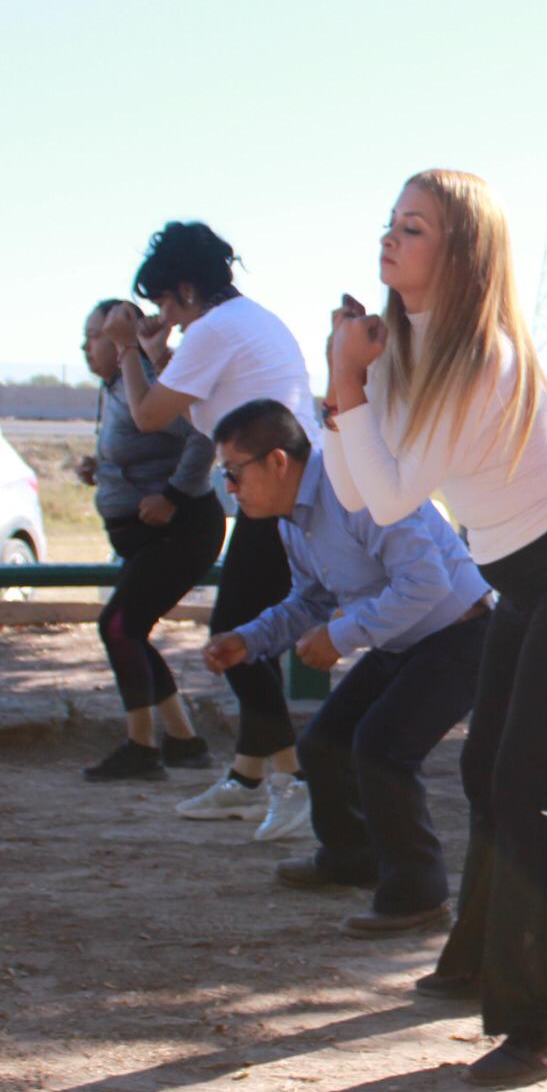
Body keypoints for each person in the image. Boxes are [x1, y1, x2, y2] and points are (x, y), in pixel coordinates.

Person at [321, 169, 547, 1087]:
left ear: (461, 252)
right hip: (525, 581)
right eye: (390, 223)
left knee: (528, 787)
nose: (390, 239)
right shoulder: (406, 350)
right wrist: (346, 381)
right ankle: (478, 962)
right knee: (487, 774)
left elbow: (394, 499)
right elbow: (354, 489)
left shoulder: (479, 356)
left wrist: (347, 379)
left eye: (413, 227)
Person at [203, 398, 494, 934]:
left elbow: (427, 584)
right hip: (403, 639)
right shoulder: (294, 521)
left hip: (460, 634)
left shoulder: (353, 489)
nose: (230, 489)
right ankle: (352, 858)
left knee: (382, 751)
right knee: (324, 743)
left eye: (233, 473)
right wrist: (249, 639)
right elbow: (311, 600)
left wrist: (340, 636)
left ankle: (419, 895)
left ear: (277, 462)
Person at [102, 221, 318, 844]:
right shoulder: (245, 321)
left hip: (280, 497)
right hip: (287, 490)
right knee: (243, 634)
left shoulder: (214, 329)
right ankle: (248, 782)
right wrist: (154, 354)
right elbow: (200, 406)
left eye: (166, 302)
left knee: (234, 639)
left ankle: (295, 781)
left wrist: (126, 350)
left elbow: (149, 415)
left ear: (187, 290)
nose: (165, 316)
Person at [77, 297, 223, 781]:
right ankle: (184, 740)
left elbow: (203, 435)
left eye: (94, 336)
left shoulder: (150, 379)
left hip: (182, 530)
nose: (85, 347)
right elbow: (139, 447)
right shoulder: (115, 387)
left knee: (117, 626)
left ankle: (141, 747)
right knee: (131, 630)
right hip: (142, 535)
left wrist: (173, 496)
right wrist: (101, 468)